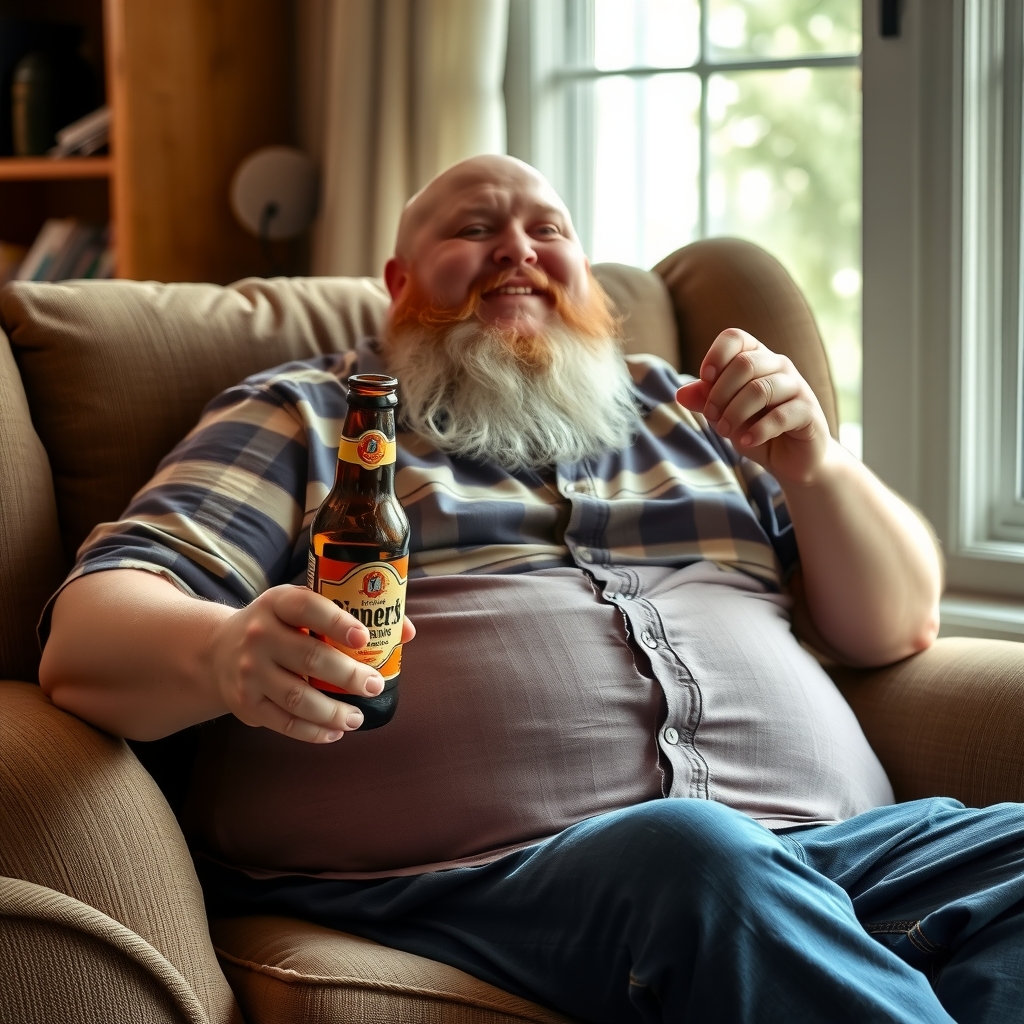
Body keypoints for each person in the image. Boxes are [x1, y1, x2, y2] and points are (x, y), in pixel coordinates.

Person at [37, 155, 1024, 1024]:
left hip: (841, 850)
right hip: (484, 881)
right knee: (693, 859)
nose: (518, 249)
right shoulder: (309, 414)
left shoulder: (688, 412)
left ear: (585, 278)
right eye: (473, 229)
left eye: (548, 229)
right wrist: (220, 652)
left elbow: (897, 624)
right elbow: (88, 635)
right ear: (398, 282)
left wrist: (814, 463)